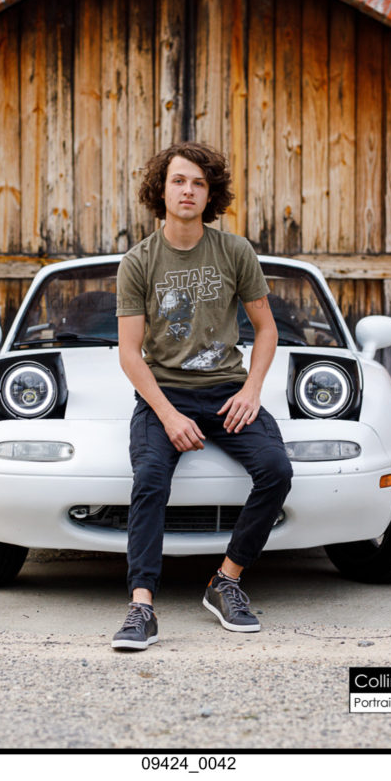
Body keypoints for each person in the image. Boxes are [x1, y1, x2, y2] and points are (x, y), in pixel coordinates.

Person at [111, 141, 293, 650]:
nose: (188, 191)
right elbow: (129, 353)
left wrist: (252, 390)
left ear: (210, 195)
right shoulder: (138, 261)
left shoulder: (235, 252)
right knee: (150, 478)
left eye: (198, 183)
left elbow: (267, 329)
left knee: (277, 470)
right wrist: (168, 416)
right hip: (165, 395)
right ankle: (141, 606)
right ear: (161, 189)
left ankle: (226, 581)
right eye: (178, 181)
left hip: (227, 391)